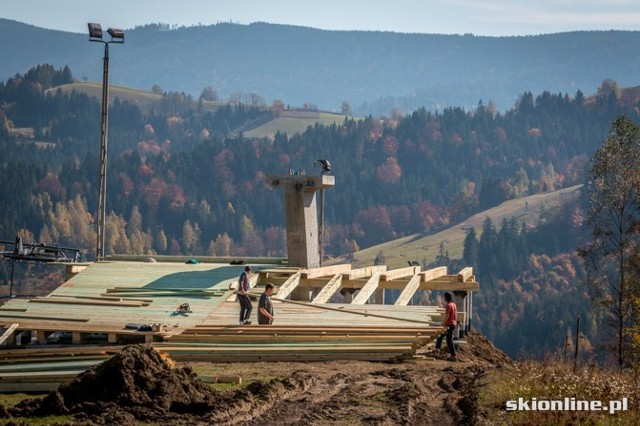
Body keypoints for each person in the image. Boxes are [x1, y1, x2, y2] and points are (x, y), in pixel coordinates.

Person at [435, 292, 458, 360]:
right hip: (453, 324)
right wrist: (455, 322)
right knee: (440, 336)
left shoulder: (448, 305)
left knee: (449, 340)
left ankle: (453, 355)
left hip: (449, 325)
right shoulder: (454, 305)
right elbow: (455, 315)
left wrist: (443, 323)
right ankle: (437, 349)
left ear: (446, 298)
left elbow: (447, 316)